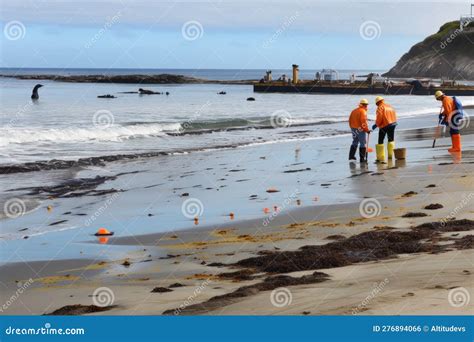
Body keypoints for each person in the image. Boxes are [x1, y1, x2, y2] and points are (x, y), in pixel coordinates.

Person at [372, 96, 397, 162]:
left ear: (377, 102)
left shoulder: (380, 107)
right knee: (391, 139)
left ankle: (380, 158)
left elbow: (379, 118)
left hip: (385, 125)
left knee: (380, 140)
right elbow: (394, 114)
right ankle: (390, 156)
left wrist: (376, 124)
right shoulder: (389, 106)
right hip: (393, 124)